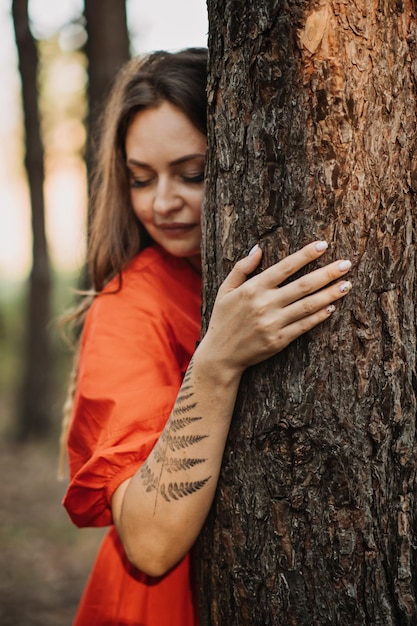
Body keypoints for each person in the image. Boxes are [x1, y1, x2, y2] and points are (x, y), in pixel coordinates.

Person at [61, 47, 353, 626]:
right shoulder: (130, 306)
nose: (163, 202)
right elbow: (148, 542)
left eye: (192, 174)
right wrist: (216, 362)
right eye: (140, 179)